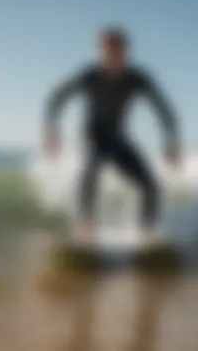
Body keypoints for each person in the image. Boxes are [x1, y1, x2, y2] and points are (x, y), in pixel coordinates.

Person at [43, 26, 182, 244]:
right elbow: (57, 97)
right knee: (92, 169)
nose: (111, 56)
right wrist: (51, 129)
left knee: (150, 185)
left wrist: (171, 141)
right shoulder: (89, 76)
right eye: (106, 50)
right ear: (100, 51)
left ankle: (146, 234)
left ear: (126, 51)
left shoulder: (138, 79)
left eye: (117, 50)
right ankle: (85, 227)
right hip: (94, 136)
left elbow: (164, 108)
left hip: (118, 138)